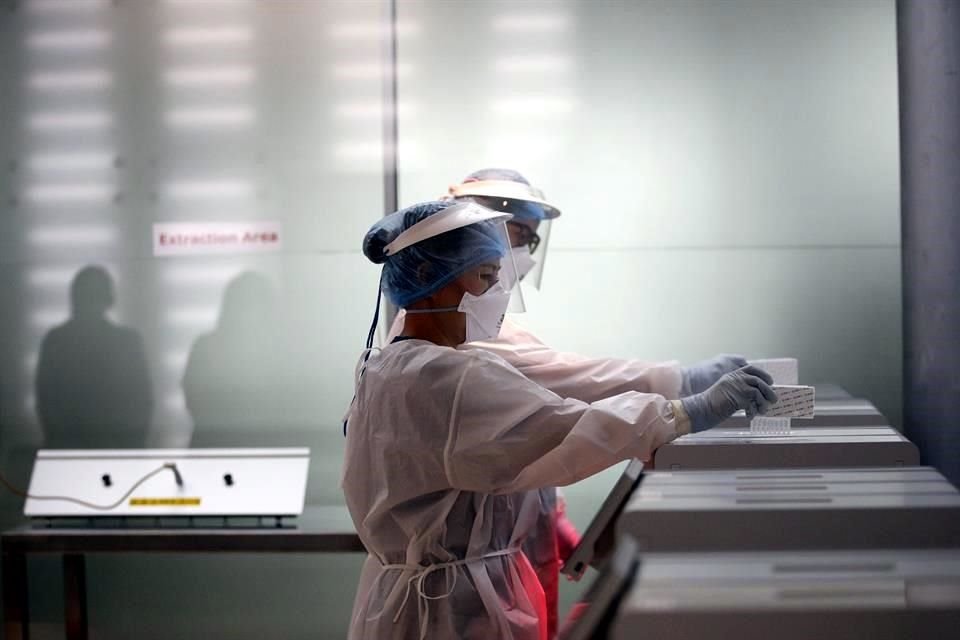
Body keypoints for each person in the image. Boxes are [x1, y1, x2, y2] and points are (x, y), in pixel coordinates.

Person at [342, 199, 776, 639]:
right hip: (450, 610)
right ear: (427, 280)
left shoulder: (383, 366)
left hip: (401, 601)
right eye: (486, 277)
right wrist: (686, 410)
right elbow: (567, 428)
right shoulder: (449, 375)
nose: (498, 294)